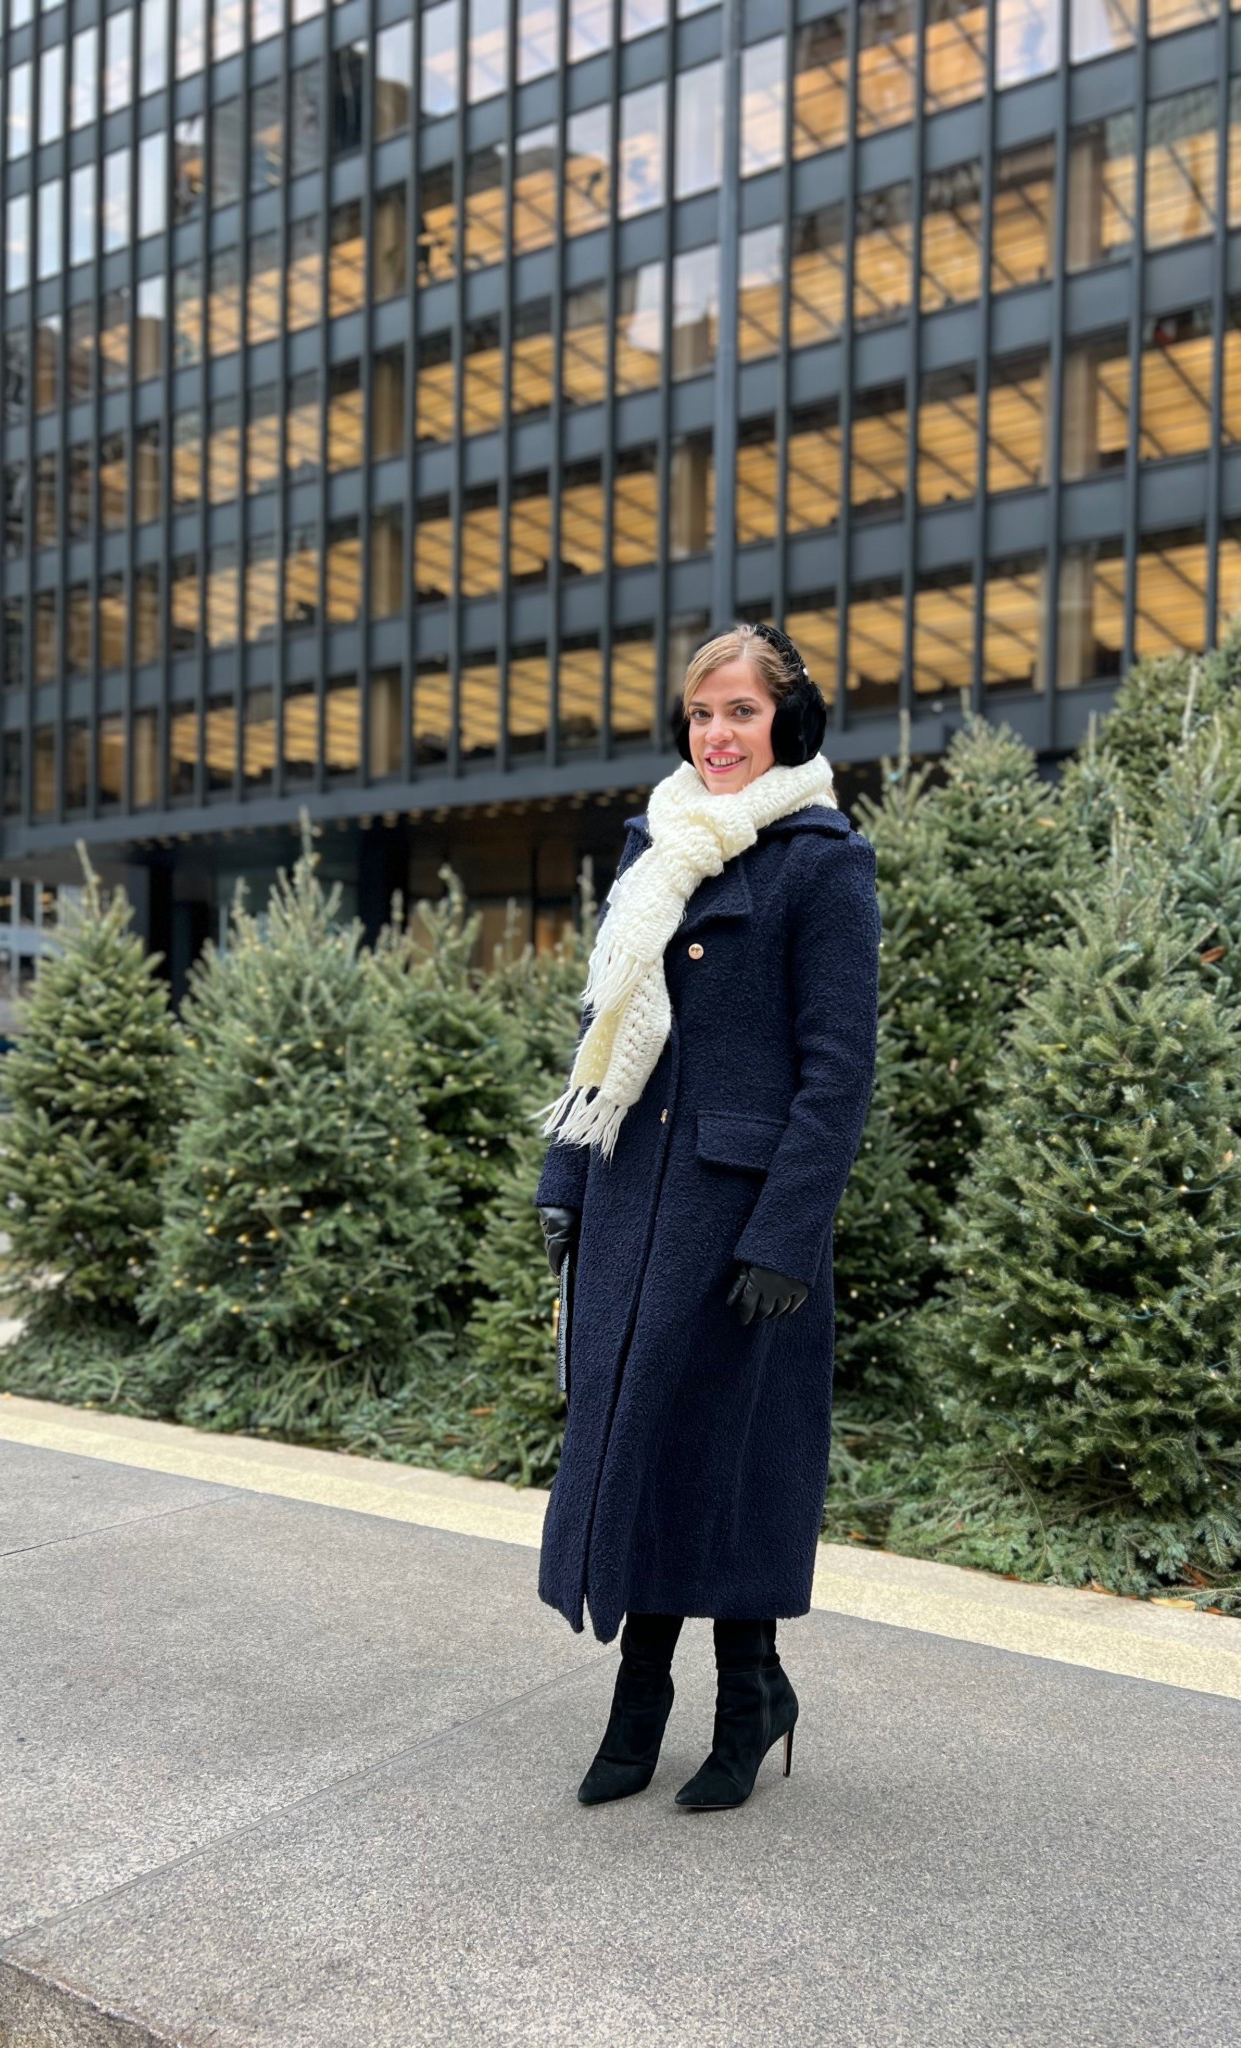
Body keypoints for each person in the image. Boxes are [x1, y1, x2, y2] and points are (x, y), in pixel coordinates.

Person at [532, 621, 881, 1812]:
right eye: (701, 713)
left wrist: (789, 1233)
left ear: (787, 720)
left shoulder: (822, 861)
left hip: (742, 1222)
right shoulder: (655, 846)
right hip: (635, 1202)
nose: (717, 734)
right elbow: (601, 1028)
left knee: (728, 1461)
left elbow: (838, 1072)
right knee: (641, 1449)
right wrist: (565, 1181)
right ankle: (639, 1701)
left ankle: (748, 1696)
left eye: (739, 710)